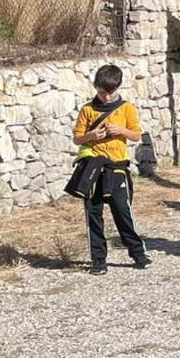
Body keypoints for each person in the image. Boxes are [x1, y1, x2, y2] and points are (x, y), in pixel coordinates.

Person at [72, 64, 150, 275]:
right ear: (96, 88)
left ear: (118, 87)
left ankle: (138, 253)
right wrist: (91, 136)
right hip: (92, 168)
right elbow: (77, 138)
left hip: (116, 168)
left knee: (123, 211)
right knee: (93, 214)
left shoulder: (126, 108)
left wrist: (120, 130)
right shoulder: (87, 110)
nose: (106, 97)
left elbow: (136, 135)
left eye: (110, 93)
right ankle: (98, 260)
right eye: (101, 92)